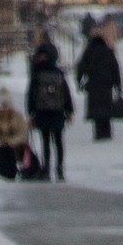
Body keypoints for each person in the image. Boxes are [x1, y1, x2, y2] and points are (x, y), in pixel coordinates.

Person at [26, 41, 74, 181]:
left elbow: (31, 95)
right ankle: (59, 169)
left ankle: (46, 169)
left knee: (45, 141)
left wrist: (30, 112)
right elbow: (66, 93)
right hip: (58, 112)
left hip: (42, 112)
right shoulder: (58, 73)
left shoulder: (37, 73)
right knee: (58, 141)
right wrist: (69, 110)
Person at [76, 29, 123, 141]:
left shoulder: (88, 52)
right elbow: (115, 69)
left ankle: (98, 133)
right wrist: (118, 85)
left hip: (93, 85)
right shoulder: (108, 51)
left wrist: (79, 82)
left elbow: (80, 67)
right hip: (107, 85)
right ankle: (107, 132)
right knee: (106, 109)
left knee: (96, 110)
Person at [0, 87, 29, 179]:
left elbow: (23, 134)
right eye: (2, 106)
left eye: (6, 106)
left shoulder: (17, 116)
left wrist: (10, 142)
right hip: (3, 149)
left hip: (17, 148)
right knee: (3, 152)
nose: (4, 110)